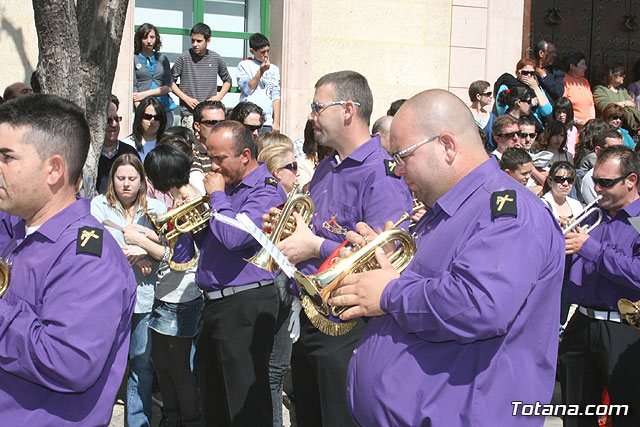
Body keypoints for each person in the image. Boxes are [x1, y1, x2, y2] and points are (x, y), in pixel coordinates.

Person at [327, 89, 565, 426]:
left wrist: (388, 293)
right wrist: (383, 262)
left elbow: (480, 304)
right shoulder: (447, 210)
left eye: (402, 156)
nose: (396, 170)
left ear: (447, 146)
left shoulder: (506, 213)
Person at [272, 70, 413, 427]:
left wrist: (314, 246)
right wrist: (283, 231)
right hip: (310, 317)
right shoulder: (325, 170)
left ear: (348, 110)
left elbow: (388, 258)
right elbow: (307, 233)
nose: (311, 115)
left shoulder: (381, 175)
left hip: (349, 328)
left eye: (317, 107)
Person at [0, 94, 137, 425]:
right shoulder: (23, 232)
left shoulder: (89, 257)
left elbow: (67, 361)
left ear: (54, 169)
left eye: (6, 157)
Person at [195, 120, 286, 426]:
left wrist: (217, 198)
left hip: (245, 303)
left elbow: (235, 238)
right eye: (210, 157)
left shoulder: (267, 190)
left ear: (245, 155)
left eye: (220, 159)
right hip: (215, 303)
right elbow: (213, 239)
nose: (213, 166)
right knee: (214, 403)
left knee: (245, 407)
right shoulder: (228, 188)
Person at [560, 145, 640, 426]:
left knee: (629, 414)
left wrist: (590, 248)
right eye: (595, 181)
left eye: (606, 183)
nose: (597, 189)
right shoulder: (594, 217)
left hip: (625, 329)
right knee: (576, 413)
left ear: (630, 180)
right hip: (582, 322)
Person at [90, 154, 167, 426]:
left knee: (141, 363)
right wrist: (136, 254)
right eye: (120, 178)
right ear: (112, 180)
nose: (126, 184)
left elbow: (170, 250)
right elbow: (93, 247)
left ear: (142, 181)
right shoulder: (98, 205)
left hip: (145, 296)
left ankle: (137, 421)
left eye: (132, 179)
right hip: (109, 298)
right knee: (104, 362)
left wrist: (144, 249)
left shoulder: (156, 209)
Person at [135, 144, 204, 426]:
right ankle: (171, 416)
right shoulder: (179, 199)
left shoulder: (190, 199)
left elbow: (178, 256)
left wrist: (143, 242)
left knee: (177, 367)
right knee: (162, 365)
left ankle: (189, 420)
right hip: (166, 292)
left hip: (183, 294)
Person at [256, 142, 299, 426]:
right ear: (276, 172)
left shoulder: (289, 200)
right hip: (276, 286)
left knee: (273, 370)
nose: (297, 172)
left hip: (279, 286)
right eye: (292, 167)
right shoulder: (276, 201)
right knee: (274, 370)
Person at [171, 23, 232, 127]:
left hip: (210, 115)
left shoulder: (216, 58)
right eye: (192, 40)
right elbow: (170, 81)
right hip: (189, 114)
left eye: (199, 41)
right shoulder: (184, 58)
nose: (195, 44)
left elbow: (228, 80)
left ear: (208, 41)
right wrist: (186, 98)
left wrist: (219, 96)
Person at [133, 23, 177, 126]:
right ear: (139, 39)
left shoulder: (162, 59)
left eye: (152, 37)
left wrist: (144, 94)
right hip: (146, 111)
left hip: (165, 108)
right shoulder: (133, 58)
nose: (149, 41)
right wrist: (141, 113)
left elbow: (168, 87)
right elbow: (134, 92)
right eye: (145, 37)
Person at [237, 33, 281, 133]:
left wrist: (276, 122)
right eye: (262, 52)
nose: (266, 55)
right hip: (248, 120)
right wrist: (261, 71)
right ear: (252, 51)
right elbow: (247, 89)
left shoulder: (274, 69)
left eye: (268, 51)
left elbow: (276, 96)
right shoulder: (244, 65)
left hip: (266, 122)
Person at [494, 58, 553, 130]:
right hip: (516, 126)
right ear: (517, 73)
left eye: (532, 73)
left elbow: (547, 111)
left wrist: (535, 88)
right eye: (525, 73)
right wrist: (530, 103)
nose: (529, 75)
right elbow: (502, 110)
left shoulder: (537, 87)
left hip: (535, 127)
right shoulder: (507, 85)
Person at [97, 94, 139, 194]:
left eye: (117, 119)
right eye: (109, 120)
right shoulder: (89, 154)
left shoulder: (129, 152)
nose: (114, 124)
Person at [190, 100, 226, 195]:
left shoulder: (233, 151)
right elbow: (203, 191)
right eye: (211, 122)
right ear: (197, 126)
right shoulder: (190, 153)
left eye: (222, 122)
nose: (218, 127)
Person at [593, 62, 640, 134]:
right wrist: (625, 103)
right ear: (610, 75)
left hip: (624, 129)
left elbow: (632, 106)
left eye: (624, 73)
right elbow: (606, 107)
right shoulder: (600, 90)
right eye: (620, 74)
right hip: (606, 129)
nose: (624, 76)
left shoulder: (622, 90)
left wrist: (618, 105)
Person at [580, 130, 624, 205]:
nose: (618, 153)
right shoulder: (589, 180)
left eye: (621, 149)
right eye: (612, 149)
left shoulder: (627, 172)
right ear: (598, 150)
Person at [562, 50, 595, 125]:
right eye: (582, 64)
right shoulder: (565, 81)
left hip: (588, 127)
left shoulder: (585, 82)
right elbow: (563, 107)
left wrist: (591, 122)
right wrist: (576, 121)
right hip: (572, 126)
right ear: (572, 66)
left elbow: (591, 105)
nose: (585, 67)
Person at [468, 80, 495, 148]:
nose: (491, 97)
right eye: (488, 94)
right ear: (478, 96)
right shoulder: (465, 114)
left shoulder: (492, 117)